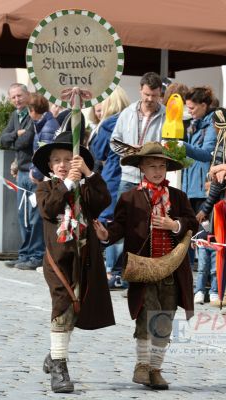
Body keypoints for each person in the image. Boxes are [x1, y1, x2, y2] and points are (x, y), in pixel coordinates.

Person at [93, 141, 198, 390]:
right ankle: (141, 365)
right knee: (146, 312)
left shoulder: (178, 197)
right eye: (152, 165)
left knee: (164, 319)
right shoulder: (130, 198)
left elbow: (193, 223)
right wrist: (106, 235)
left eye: (161, 165)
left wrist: (174, 226)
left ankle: (155, 369)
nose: (157, 170)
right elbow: (118, 226)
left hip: (172, 269)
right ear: (141, 168)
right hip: (143, 267)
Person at [32, 131, 115, 393]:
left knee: (76, 309)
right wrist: (67, 182)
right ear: (49, 165)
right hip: (57, 260)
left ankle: (54, 353)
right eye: (56, 159)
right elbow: (49, 209)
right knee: (62, 304)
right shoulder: (46, 187)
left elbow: (103, 200)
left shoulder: (85, 188)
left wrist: (88, 174)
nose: (62, 163)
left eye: (68, 159)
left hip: (84, 258)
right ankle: (60, 368)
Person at [0, 83, 45, 270]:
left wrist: (15, 138)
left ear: (27, 95)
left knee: (35, 217)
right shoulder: (15, 116)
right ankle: (24, 254)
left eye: (20, 95)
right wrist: (14, 135)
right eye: (13, 97)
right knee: (22, 216)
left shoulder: (33, 114)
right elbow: (2, 139)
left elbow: (26, 141)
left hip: (34, 172)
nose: (17, 100)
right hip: (21, 172)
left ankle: (36, 256)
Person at [198, 106, 226, 313]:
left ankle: (225, 292)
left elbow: (217, 185)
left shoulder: (224, 144)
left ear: (215, 125)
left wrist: (205, 208)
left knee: (224, 245)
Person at [91, 86, 130, 288]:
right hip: (129, 175)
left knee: (112, 224)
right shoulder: (131, 118)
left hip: (113, 177)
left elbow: (98, 151)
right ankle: (119, 272)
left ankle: (112, 272)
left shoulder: (110, 123)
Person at [111, 72, 166, 193]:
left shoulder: (167, 116)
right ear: (140, 89)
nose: (150, 99)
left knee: (154, 212)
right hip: (128, 178)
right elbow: (113, 142)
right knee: (123, 212)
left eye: (154, 95)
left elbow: (172, 145)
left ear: (160, 93)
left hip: (155, 178)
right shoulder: (127, 112)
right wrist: (129, 150)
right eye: (147, 94)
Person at [182, 86, 217, 268]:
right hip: (190, 187)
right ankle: (190, 276)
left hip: (203, 190)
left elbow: (207, 154)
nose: (189, 111)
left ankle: (207, 284)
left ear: (204, 105)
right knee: (190, 234)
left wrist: (183, 146)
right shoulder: (195, 124)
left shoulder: (212, 124)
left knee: (204, 237)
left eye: (192, 108)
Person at [27, 92, 59, 183]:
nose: (28, 114)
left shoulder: (47, 127)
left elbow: (45, 155)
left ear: (32, 110)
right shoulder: (43, 124)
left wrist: (35, 174)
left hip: (46, 178)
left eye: (28, 110)